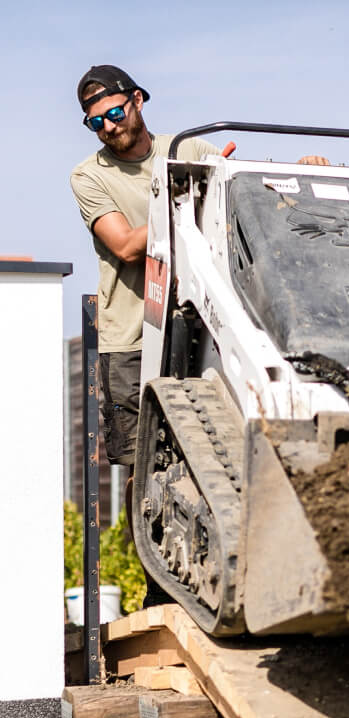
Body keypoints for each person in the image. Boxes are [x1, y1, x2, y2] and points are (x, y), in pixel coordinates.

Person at [70, 65, 221, 470]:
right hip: (132, 339)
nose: (109, 127)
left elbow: (241, 193)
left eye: (115, 114)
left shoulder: (188, 151)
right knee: (145, 467)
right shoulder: (88, 176)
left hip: (203, 329)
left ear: (137, 100)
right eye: (96, 122)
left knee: (211, 455)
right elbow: (125, 246)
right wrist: (190, 199)